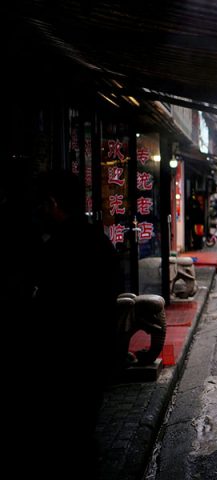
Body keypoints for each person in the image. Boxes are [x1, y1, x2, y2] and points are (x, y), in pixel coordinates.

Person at [30, 171, 122, 475]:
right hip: (95, 353)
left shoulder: (56, 249)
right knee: (83, 429)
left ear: (53, 203)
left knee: (67, 435)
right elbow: (113, 294)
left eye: (43, 205)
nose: (41, 211)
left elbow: (48, 308)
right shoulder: (100, 243)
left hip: (64, 358)